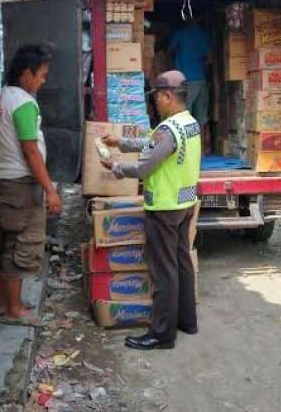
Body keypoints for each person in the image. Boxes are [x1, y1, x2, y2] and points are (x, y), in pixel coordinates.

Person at [100, 70, 200, 350]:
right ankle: (187, 321)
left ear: (168, 96)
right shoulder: (189, 123)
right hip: (185, 202)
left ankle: (162, 334)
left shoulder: (168, 129)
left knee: (163, 271)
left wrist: (116, 167)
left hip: (164, 207)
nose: (155, 101)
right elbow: (153, 146)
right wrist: (120, 142)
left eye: (157, 96)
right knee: (181, 263)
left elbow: (145, 166)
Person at [0, 44, 62, 324]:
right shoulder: (23, 103)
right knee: (20, 246)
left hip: (4, 180)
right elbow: (30, 150)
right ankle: (14, 310)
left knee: (4, 243)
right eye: (41, 75)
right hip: (20, 184)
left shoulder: (2, 96)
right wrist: (50, 190)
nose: (43, 81)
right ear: (25, 73)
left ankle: (5, 303)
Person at [168, 18, 211, 149]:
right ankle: (201, 147)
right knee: (201, 116)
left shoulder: (179, 34)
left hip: (185, 78)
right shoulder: (203, 35)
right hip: (200, 78)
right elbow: (209, 57)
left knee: (185, 114)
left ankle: (187, 146)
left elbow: (169, 49)